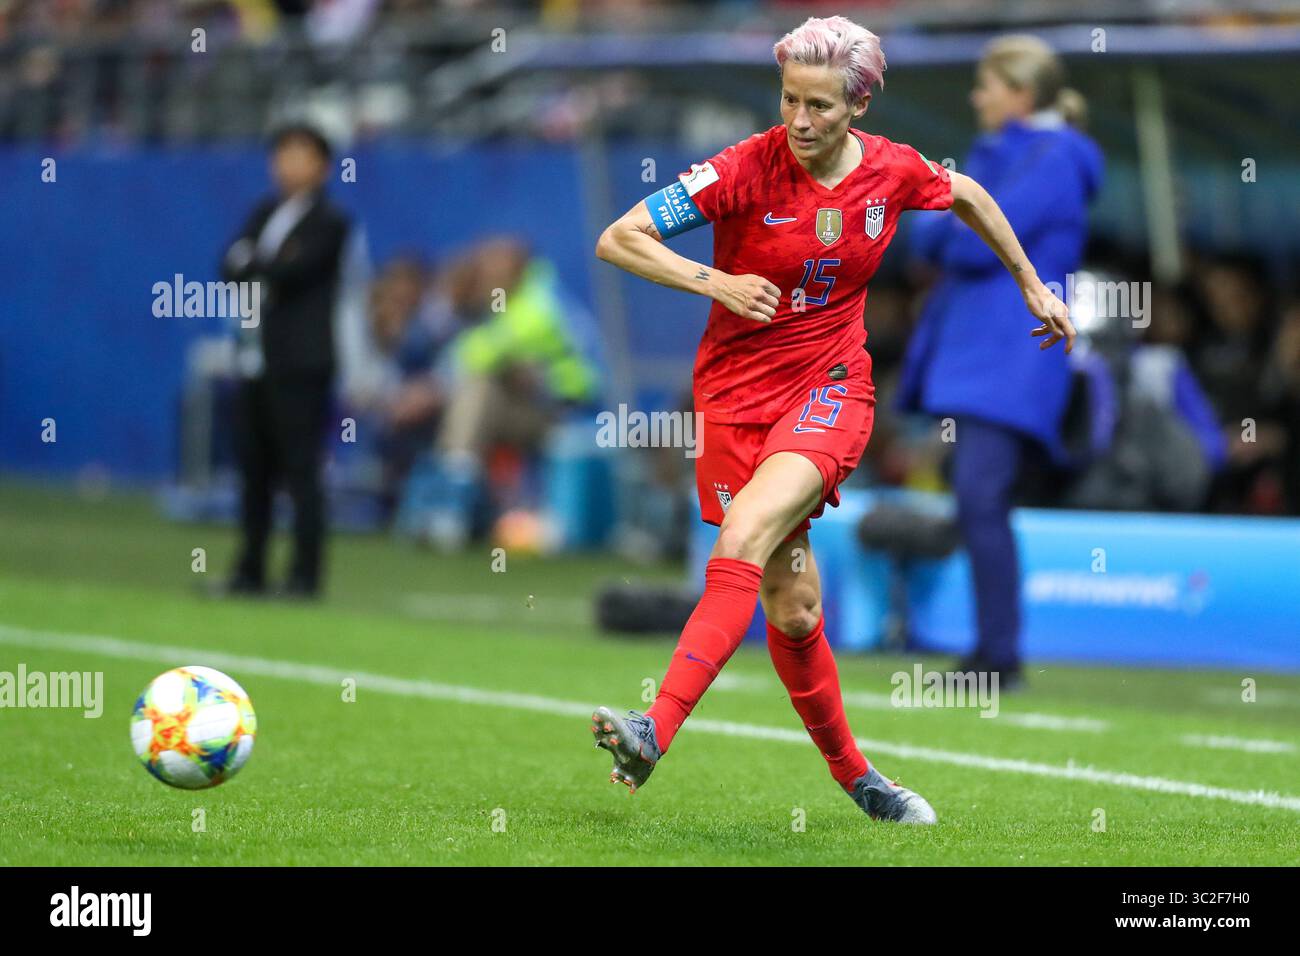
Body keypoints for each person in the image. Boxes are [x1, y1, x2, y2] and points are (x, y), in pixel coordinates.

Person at [589, 16, 1075, 825]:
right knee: (793, 605)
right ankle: (862, 781)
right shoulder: (740, 168)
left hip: (830, 385)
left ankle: (654, 728)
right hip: (733, 398)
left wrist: (1031, 283)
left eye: (820, 105)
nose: (801, 121)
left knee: (742, 533)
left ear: (858, 106)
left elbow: (966, 194)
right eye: (790, 100)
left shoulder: (890, 171)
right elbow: (619, 238)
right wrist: (715, 281)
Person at [898, 35, 1103, 687]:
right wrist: (948, 226)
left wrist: (951, 226)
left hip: (1015, 353)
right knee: (976, 497)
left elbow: (966, 243)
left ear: (1020, 93)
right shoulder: (1016, 153)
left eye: (987, 85)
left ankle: (998, 658)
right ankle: (991, 652)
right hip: (984, 356)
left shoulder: (1057, 154)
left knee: (981, 496)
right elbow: (932, 231)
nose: (976, 97)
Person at [221, 123, 352, 598]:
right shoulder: (264, 211)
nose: (288, 164)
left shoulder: (330, 220)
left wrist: (255, 263)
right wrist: (257, 264)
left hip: (301, 361)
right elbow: (229, 264)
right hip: (255, 357)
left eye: (301, 155)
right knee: (253, 467)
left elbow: (291, 271)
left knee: (301, 470)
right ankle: (249, 569)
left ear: (321, 165)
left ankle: (303, 576)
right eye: (282, 154)